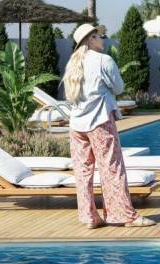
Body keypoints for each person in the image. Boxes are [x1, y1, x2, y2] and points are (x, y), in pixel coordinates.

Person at [63, 23, 155, 229]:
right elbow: (119, 88)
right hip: (100, 122)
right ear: (91, 39)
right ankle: (126, 217)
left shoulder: (73, 63)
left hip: (76, 126)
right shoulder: (104, 60)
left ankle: (90, 217)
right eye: (99, 36)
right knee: (112, 168)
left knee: (82, 172)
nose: (103, 39)